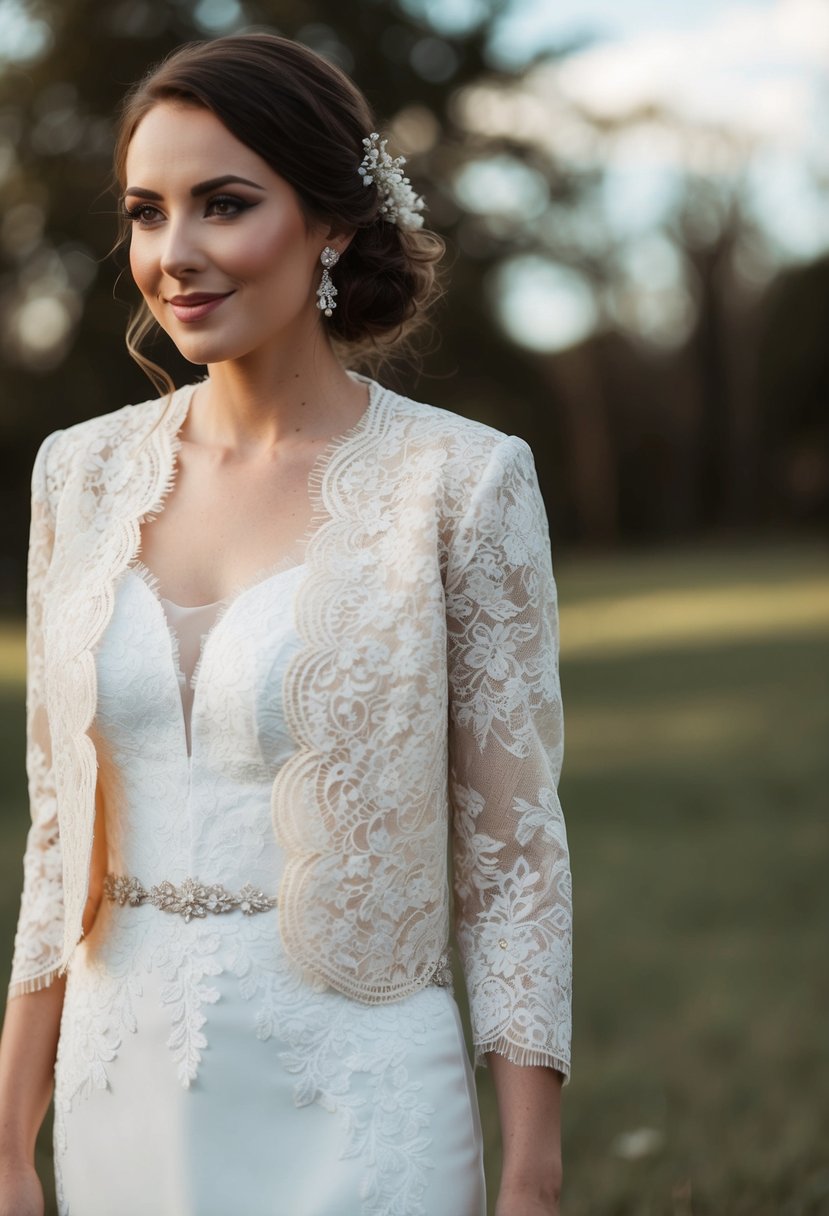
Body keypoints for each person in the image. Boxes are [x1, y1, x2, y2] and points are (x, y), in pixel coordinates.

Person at [0, 31, 572, 1216]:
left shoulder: (460, 485)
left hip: (357, 1095)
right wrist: (10, 1135)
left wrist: (531, 1172)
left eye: (224, 204)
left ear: (332, 222)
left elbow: (513, 864)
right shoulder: (79, 476)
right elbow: (59, 839)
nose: (176, 254)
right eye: (146, 213)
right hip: (125, 1089)